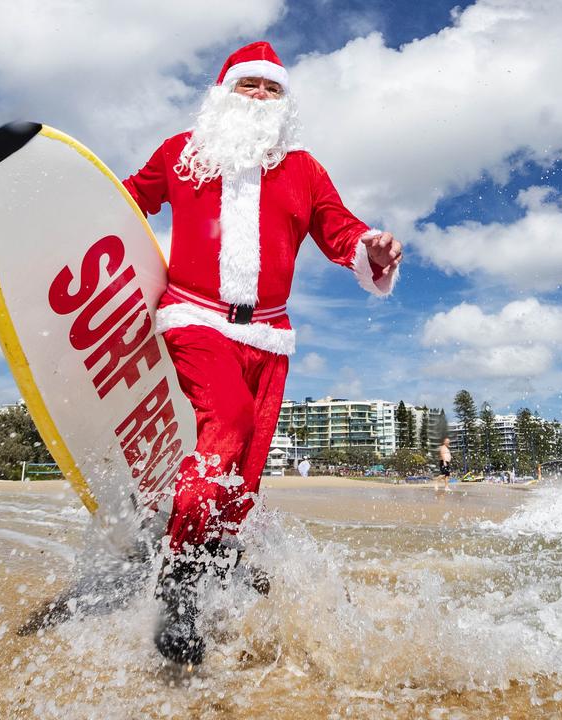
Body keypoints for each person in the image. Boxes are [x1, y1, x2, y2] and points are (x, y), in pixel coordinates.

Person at [121, 41, 403, 665]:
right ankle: (180, 582)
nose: (260, 97)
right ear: (224, 92)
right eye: (249, 85)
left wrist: (370, 250)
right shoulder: (181, 153)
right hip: (194, 317)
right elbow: (124, 200)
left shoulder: (302, 169)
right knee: (229, 424)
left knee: (243, 480)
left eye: (272, 89)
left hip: (269, 339)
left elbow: (339, 228)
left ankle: (219, 565)